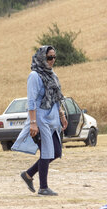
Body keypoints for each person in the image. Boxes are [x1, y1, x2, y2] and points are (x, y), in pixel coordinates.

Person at [12, 45, 68, 196]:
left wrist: (62, 115)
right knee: (46, 152)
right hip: (40, 119)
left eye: (54, 57)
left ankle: (28, 174)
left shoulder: (52, 74)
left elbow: (56, 97)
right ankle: (43, 187)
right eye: (49, 57)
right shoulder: (35, 76)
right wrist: (33, 123)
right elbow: (31, 102)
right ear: (42, 58)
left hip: (52, 118)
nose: (52, 60)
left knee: (56, 151)